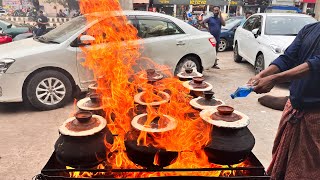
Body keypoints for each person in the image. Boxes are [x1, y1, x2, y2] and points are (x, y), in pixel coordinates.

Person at [247, 22, 320, 179]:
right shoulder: (309, 29)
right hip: (294, 108)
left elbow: (315, 65)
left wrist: (274, 79)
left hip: (316, 117)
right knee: (281, 161)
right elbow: (287, 58)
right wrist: (262, 75)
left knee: (309, 170)